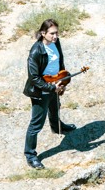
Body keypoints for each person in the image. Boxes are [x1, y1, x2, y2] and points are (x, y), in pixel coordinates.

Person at [23, 19, 77, 169]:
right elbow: (33, 78)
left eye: (57, 33)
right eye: (52, 33)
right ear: (43, 33)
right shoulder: (36, 51)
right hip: (41, 90)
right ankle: (30, 155)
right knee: (36, 124)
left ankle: (57, 127)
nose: (55, 36)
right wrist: (51, 88)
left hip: (56, 83)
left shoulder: (56, 43)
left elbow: (60, 63)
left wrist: (63, 80)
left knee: (55, 107)